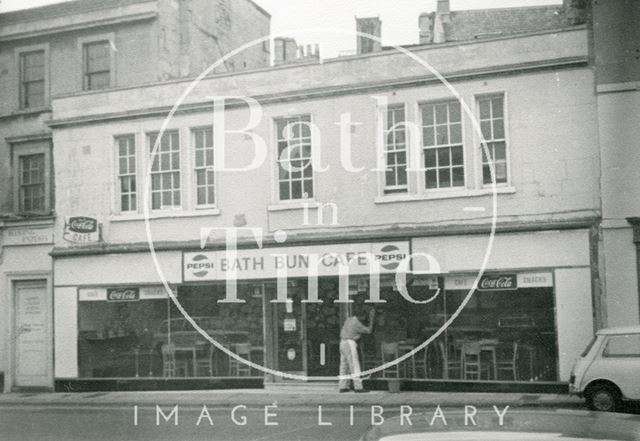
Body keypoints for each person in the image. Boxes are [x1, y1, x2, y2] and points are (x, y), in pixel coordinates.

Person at [338, 306, 375, 392]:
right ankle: (358, 387)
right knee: (354, 365)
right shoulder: (357, 323)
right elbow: (369, 331)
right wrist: (372, 318)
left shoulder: (349, 319)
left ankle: (343, 386)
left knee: (344, 365)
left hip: (342, 342)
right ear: (362, 316)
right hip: (350, 342)